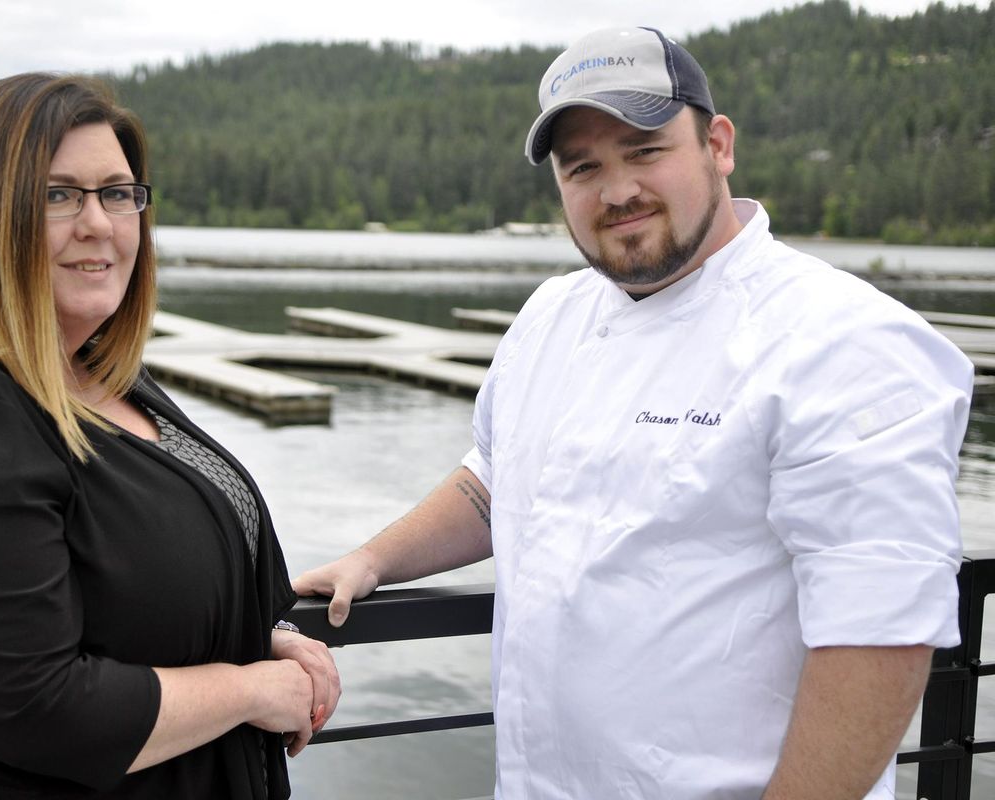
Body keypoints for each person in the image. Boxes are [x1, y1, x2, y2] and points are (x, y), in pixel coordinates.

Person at [294, 26, 973, 800]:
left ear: (718, 144)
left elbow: (879, 640)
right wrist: (374, 560)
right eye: (583, 166)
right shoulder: (552, 315)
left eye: (645, 151)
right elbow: (494, 479)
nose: (616, 191)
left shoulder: (844, 341)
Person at [0, 73, 339, 800]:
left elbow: (131, 596)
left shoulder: (112, 380)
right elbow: (34, 706)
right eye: (58, 194)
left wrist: (255, 636)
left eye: (117, 192)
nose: (98, 222)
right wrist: (250, 688)